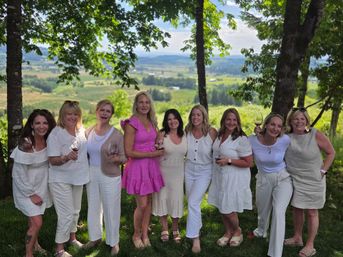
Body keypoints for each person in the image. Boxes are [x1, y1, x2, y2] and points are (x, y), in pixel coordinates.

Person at [284, 107, 335, 257]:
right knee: (297, 208)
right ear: (290, 121)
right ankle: (297, 237)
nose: (299, 121)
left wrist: (323, 170)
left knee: (312, 212)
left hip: (314, 180)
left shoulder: (315, 134)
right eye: (296, 119)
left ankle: (310, 245)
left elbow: (331, 152)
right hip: (295, 179)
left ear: (307, 120)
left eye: (302, 119)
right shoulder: (287, 137)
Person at [121, 91, 165, 249]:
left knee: (149, 203)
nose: (144, 105)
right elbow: (129, 152)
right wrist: (153, 153)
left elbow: (154, 140)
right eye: (141, 102)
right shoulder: (132, 123)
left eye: (147, 102)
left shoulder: (152, 121)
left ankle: (145, 234)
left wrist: (159, 142)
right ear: (136, 104)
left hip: (151, 167)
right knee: (142, 204)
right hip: (138, 167)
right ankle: (136, 234)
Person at [47, 100, 90, 257]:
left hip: (78, 177)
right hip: (60, 179)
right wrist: (65, 158)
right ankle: (59, 249)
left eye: (75, 114)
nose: (72, 117)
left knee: (75, 211)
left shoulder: (81, 130)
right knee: (65, 214)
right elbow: (52, 160)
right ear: (62, 116)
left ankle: (72, 239)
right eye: (68, 114)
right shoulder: (56, 134)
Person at [11, 109, 56, 257]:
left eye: (45, 123)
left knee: (33, 220)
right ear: (31, 125)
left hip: (41, 185)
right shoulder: (26, 144)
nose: (41, 126)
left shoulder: (50, 140)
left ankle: (36, 245)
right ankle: (28, 254)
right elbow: (18, 174)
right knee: (37, 221)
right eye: (37, 123)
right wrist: (30, 194)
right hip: (25, 188)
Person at [84, 100, 126, 255]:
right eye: (102, 110)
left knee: (111, 208)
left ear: (111, 115)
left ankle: (113, 242)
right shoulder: (89, 131)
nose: (104, 113)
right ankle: (94, 238)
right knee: (94, 207)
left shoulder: (116, 135)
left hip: (110, 175)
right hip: (91, 173)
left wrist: (117, 159)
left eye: (108, 111)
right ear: (96, 111)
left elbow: (124, 157)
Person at [248, 113, 293, 257]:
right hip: (263, 178)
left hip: (283, 179)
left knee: (278, 212)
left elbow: (302, 143)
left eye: (279, 126)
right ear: (265, 125)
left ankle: (275, 253)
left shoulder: (285, 140)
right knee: (262, 210)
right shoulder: (252, 140)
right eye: (273, 124)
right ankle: (261, 231)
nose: (275, 128)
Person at [208, 108, 253, 247]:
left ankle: (237, 231)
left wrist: (229, 160)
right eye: (228, 119)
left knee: (228, 209)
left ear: (238, 122)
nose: (231, 122)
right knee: (222, 205)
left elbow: (249, 163)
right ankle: (228, 232)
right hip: (220, 175)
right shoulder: (220, 135)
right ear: (223, 120)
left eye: (234, 120)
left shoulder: (241, 139)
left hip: (235, 178)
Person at [184, 104, 217, 253]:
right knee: (193, 203)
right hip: (188, 170)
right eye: (193, 115)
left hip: (205, 171)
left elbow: (220, 149)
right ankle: (196, 226)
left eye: (199, 115)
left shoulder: (211, 132)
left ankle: (195, 238)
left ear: (204, 116)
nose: (195, 117)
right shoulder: (187, 130)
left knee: (192, 202)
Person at [152, 109, 187, 243]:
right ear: (166, 121)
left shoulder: (185, 134)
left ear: (179, 119)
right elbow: (155, 149)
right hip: (162, 172)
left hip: (178, 173)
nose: (172, 121)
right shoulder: (162, 134)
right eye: (169, 119)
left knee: (176, 199)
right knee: (163, 198)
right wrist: (157, 144)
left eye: (175, 118)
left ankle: (175, 228)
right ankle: (164, 229)